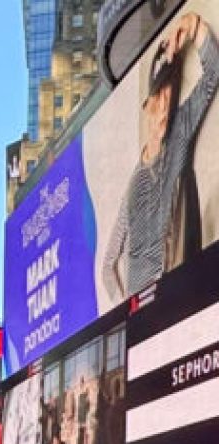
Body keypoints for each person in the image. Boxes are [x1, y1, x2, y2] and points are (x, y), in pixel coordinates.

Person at [102, 11, 219, 302]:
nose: (165, 106)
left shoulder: (179, 134)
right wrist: (125, 307)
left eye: (170, 94)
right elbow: (108, 264)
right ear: (147, 105)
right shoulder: (133, 185)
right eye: (159, 97)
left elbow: (213, 72)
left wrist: (190, 23)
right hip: (142, 309)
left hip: (175, 294)